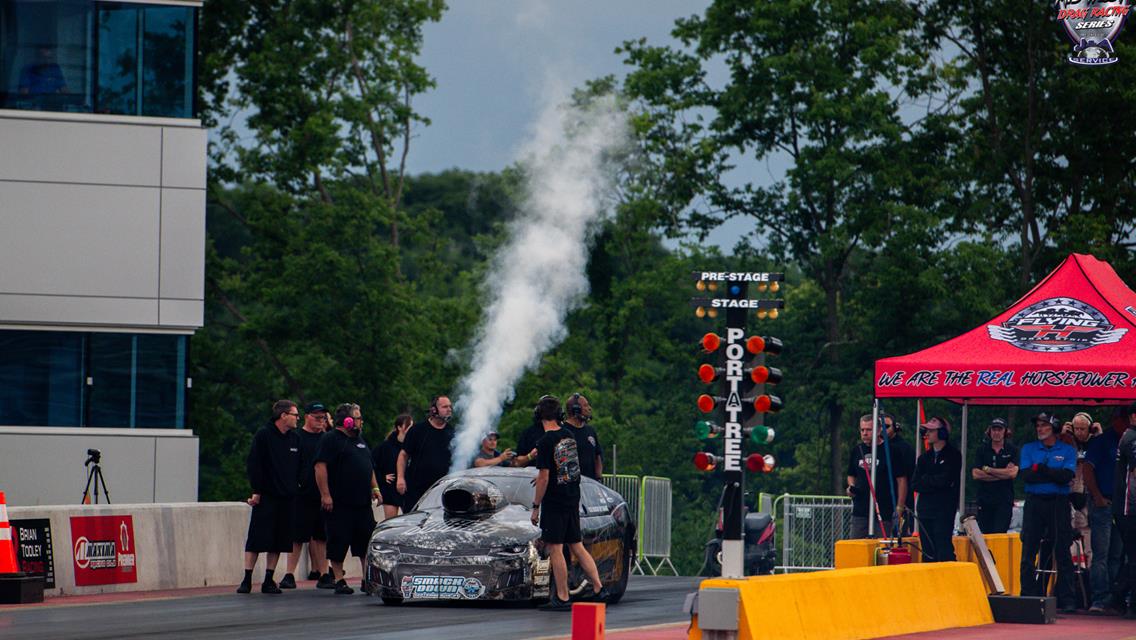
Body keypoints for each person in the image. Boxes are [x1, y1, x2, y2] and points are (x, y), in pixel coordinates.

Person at [530, 395, 606, 611]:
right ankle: (600, 588)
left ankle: (562, 597)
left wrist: (536, 506)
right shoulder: (569, 435)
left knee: (555, 548)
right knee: (577, 545)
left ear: (539, 416)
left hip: (554, 502)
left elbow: (544, 477)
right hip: (572, 497)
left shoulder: (544, 442)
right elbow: (567, 467)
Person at [315, 403, 382, 595]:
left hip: (361, 503)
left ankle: (366, 579)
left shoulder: (360, 440)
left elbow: (368, 466)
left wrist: (375, 488)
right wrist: (325, 495)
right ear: (348, 420)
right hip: (340, 502)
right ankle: (339, 579)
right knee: (338, 540)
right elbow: (320, 467)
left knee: (365, 541)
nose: (361, 422)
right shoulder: (330, 439)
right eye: (358, 418)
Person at [237, 400, 301, 595]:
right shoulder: (264, 435)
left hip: (287, 496)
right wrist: (257, 490)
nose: (297, 418)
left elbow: (300, 465)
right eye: (294, 414)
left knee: (279, 540)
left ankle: (268, 578)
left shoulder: (294, 439)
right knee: (257, 538)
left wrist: (296, 485)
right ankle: (247, 578)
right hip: (267, 496)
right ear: (283, 415)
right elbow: (254, 464)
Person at [1018, 412, 1078, 613]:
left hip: (1058, 503)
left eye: (1044, 425)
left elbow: (1066, 476)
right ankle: (1028, 593)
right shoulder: (1028, 448)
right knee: (1028, 549)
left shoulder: (1068, 450)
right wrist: (1052, 473)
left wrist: (1041, 469)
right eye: (1038, 425)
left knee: (1062, 550)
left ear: (1054, 428)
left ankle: (1067, 598)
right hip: (1035, 503)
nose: (1039, 429)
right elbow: (1027, 476)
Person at [281, 402, 332, 589]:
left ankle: (324, 573)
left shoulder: (327, 439)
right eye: (317, 417)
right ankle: (289, 573)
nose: (320, 421)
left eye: (323, 418)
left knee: (321, 535)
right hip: (301, 494)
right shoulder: (296, 437)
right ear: (307, 416)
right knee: (297, 535)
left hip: (322, 494)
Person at [1084, 408, 1126, 614]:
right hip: (1104, 502)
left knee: (1117, 554)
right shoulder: (1101, 441)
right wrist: (1097, 496)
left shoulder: (1130, 440)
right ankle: (1099, 597)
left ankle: (1114, 597)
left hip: (1123, 505)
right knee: (1101, 552)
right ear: (1115, 420)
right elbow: (1087, 469)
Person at [911, 416, 962, 562]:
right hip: (925, 510)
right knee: (927, 549)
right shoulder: (923, 458)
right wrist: (932, 481)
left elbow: (945, 480)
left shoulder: (953, 455)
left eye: (932, 431)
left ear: (942, 433)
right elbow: (915, 483)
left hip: (943, 509)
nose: (927, 434)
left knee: (943, 546)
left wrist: (927, 479)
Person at [845, 414, 903, 539]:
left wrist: (899, 507)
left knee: (882, 548)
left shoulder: (891, 451)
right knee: (856, 545)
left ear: (878, 430)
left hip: (884, 510)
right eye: (862, 430)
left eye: (869, 430)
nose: (865, 433)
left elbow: (901, 481)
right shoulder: (857, 450)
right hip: (860, 510)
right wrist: (851, 487)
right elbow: (851, 475)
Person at [396, 395, 455, 510]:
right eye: (445, 406)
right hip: (417, 490)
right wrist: (400, 478)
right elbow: (403, 455)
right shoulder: (417, 430)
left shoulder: (452, 432)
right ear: (434, 410)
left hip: (443, 491)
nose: (449, 409)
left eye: (450, 406)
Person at [971, 418, 1019, 534]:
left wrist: (988, 470)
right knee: (985, 534)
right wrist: (1003, 473)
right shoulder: (982, 450)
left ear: (1005, 431)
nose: (996, 432)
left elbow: (1012, 473)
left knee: (1000, 533)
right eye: (994, 429)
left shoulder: (1012, 450)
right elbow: (976, 474)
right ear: (990, 431)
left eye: (999, 429)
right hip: (985, 500)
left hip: (1004, 500)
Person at [1112, 402, 1136, 619]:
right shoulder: (1131, 438)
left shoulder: (1127, 436)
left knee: (1130, 557)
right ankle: (1125, 600)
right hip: (1130, 508)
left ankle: (1120, 597)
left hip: (1126, 506)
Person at [373, 414, 412, 521]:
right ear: (400, 427)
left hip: (408, 491)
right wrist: (382, 478)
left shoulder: (412, 446)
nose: (411, 429)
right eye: (409, 426)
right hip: (390, 491)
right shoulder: (385, 447)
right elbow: (371, 465)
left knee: (411, 525)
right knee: (390, 524)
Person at [883, 413, 915, 535]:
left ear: (895, 427)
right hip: (883, 502)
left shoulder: (904, 448)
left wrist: (901, 506)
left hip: (900, 501)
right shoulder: (876, 448)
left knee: (899, 537)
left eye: (886, 426)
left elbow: (906, 478)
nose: (882, 429)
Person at [564, 393, 603, 481]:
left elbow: (597, 455)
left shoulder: (590, 431)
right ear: (576, 409)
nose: (589, 408)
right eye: (585, 405)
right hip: (572, 486)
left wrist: (598, 477)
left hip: (590, 485)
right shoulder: (563, 431)